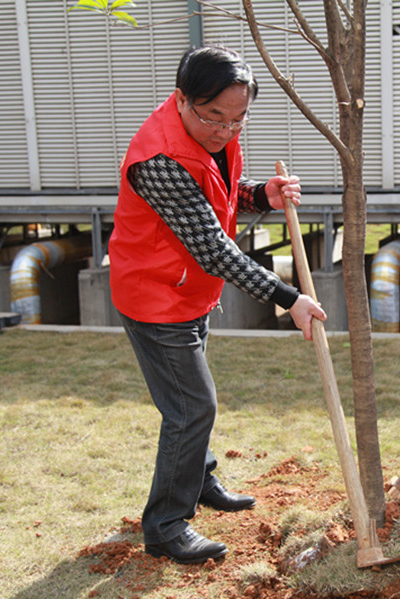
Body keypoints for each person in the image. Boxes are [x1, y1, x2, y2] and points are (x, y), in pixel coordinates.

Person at [108, 42, 326, 563]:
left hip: (186, 291)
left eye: (239, 119)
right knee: (191, 407)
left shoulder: (210, 134)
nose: (226, 130)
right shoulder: (157, 159)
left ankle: (198, 480)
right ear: (181, 100)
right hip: (155, 296)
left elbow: (221, 192)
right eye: (214, 118)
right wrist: (287, 297)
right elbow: (211, 246)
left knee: (192, 406)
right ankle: (164, 524)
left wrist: (260, 196)